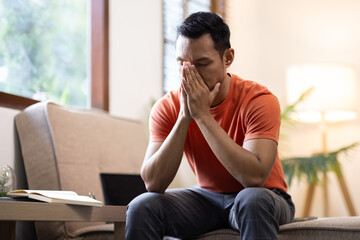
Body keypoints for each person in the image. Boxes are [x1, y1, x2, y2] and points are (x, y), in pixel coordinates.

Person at [126, 11, 295, 240]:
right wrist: (185, 116)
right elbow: (153, 182)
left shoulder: (259, 100)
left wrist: (203, 116)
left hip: (265, 196)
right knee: (142, 206)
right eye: (182, 64)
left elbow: (253, 179)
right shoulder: (167, 107)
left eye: (202, 63)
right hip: (206, 198)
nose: (189, 74)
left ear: (228, 58)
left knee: (251, 199)